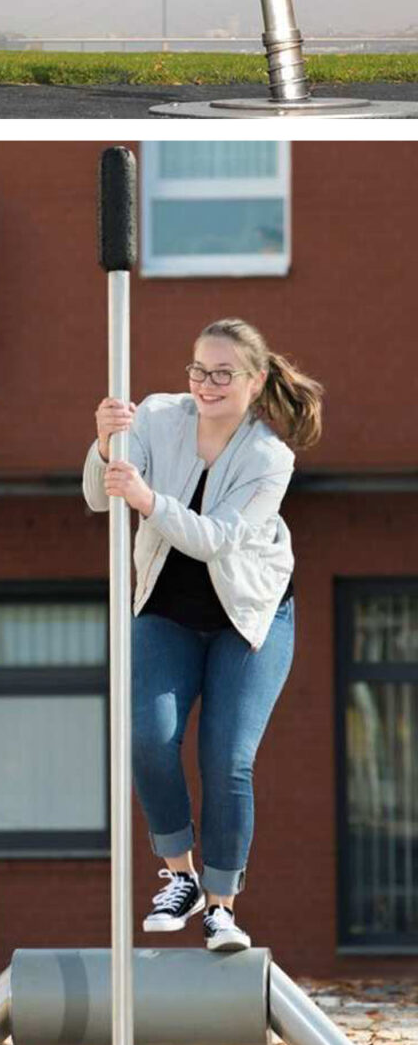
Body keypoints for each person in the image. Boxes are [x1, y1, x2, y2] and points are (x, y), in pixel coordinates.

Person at [85, 317, 319, 952]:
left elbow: (215, 538)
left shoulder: (271, 456)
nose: (206, 384)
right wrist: (107, 446)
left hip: (251, 618)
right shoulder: (159, 416)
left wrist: (146, 500)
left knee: (227, 760)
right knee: (148, 738)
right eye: (197, 369)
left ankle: (221, 906)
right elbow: (99, 498)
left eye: (223, 373)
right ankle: (179, 875)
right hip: (167, 611)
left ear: (256, 379)